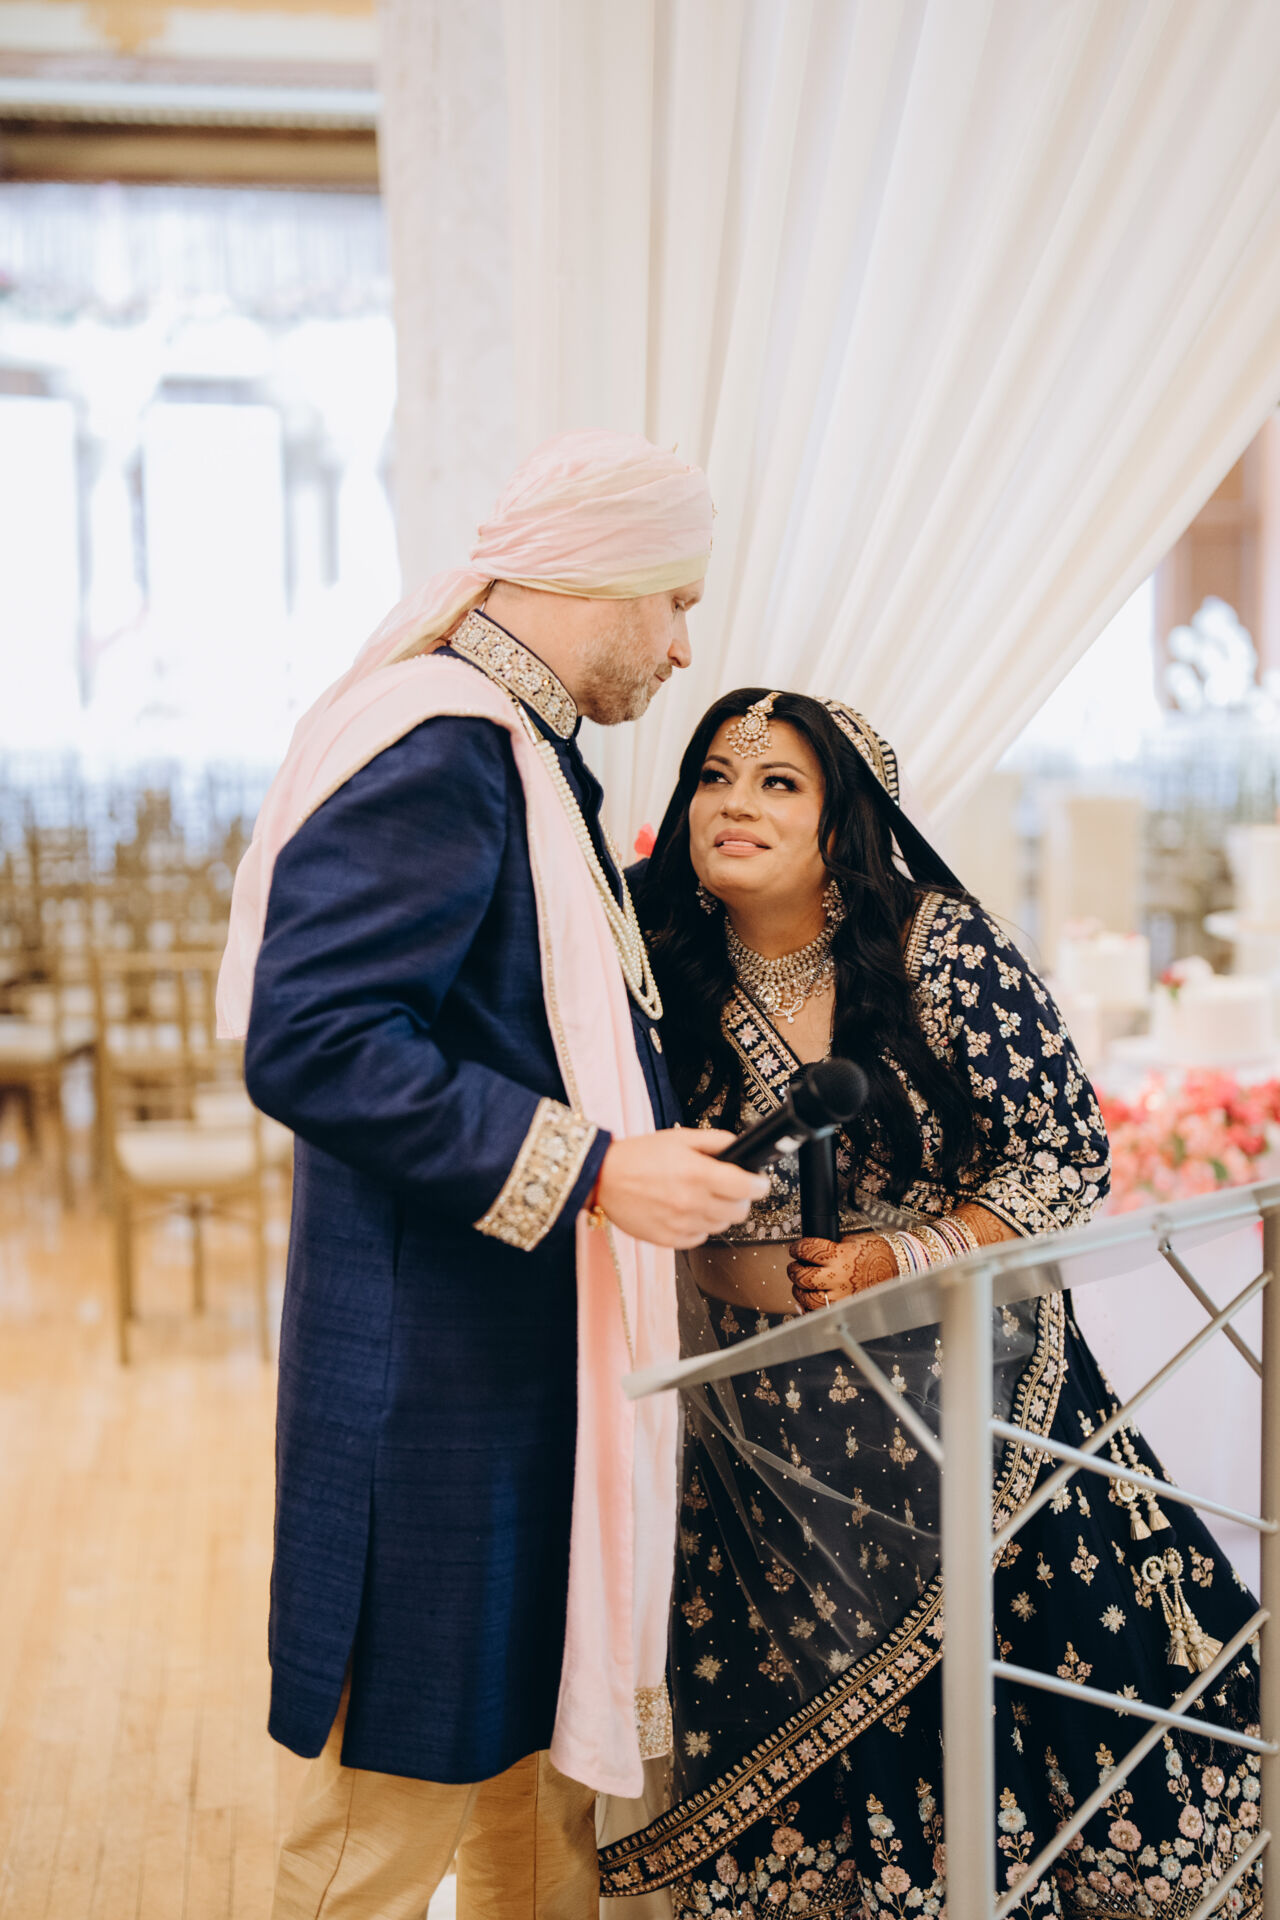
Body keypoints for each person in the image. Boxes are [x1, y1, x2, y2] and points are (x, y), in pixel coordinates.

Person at [216, 432, 768, 1919]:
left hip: (523, 1369)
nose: (682, 646)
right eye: (675, 603)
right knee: (379, 1839)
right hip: (432, 1384)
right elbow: (314, 1040)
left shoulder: (523, 746)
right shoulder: (446, 747)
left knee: (530, 1810)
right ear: (602, 580)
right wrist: (596, 1172)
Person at [600, 688, 1262, 1918]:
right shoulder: (650, 960)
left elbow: (1063, 1154)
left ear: (843, 822)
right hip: (747, 1429)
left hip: (967, 1405)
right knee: (788, 1720)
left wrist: (893, 1258)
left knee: (1009, 1706)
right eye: (713, 777)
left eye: (778, 782)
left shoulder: (936, 948)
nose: (734, 803)